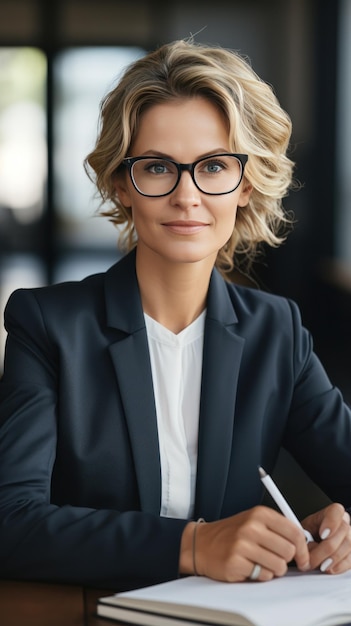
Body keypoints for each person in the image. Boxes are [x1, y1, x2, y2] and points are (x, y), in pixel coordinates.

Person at [0, 39, 350, 591]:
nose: (187, 195)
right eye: (159, 167)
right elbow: (10, 523)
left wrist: (346, 528)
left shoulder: (276, 332)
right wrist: (193, 544)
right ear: (123, 183)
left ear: (246, 183)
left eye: (213, 166)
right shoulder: (47, 325)